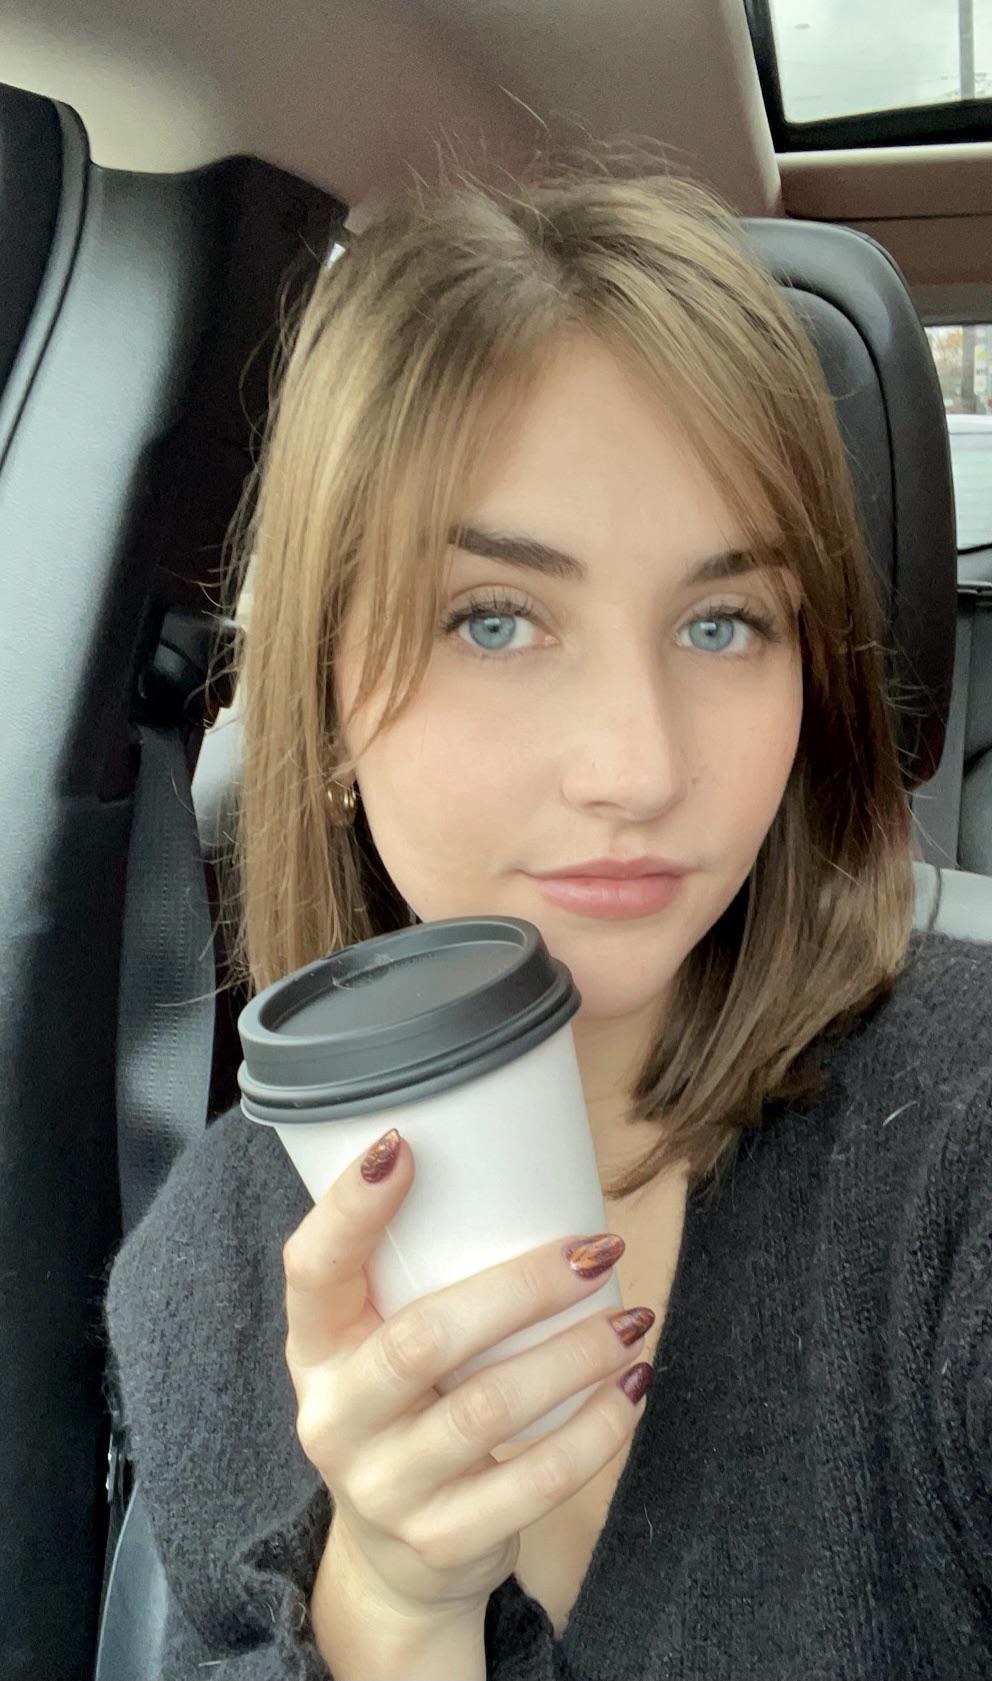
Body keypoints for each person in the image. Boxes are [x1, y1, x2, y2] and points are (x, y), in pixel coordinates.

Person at [101, 155, 992, 1681]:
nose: (635, 767)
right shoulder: (204, 1270)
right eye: (495, 619)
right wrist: (391, 1607)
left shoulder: (961, 1148)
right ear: (323, 690)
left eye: (723, 622)